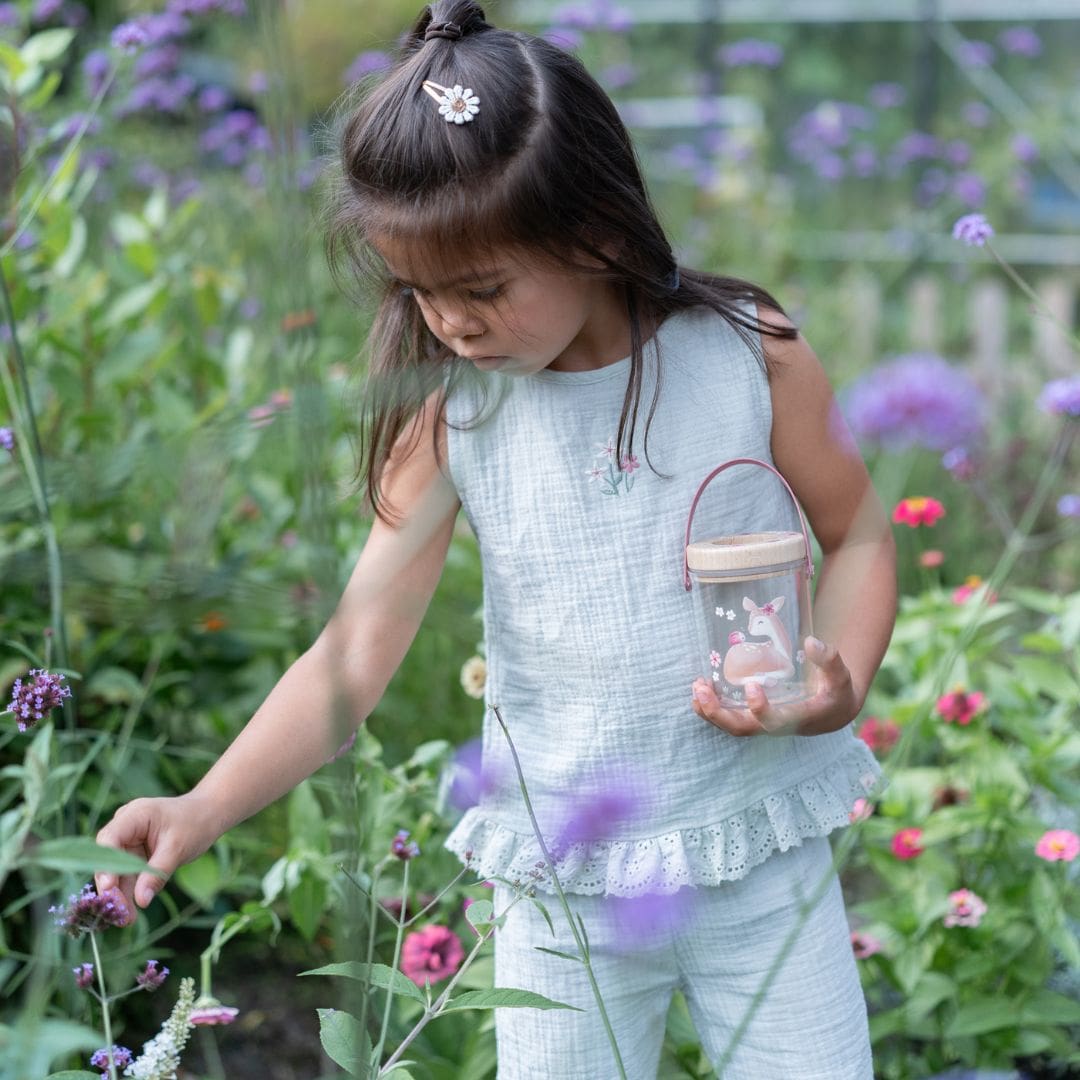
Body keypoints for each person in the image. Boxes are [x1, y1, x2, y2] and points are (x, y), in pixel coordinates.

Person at [95, 2, 897, 1076]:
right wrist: (202, 806)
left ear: (598, 231)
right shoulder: (452, 413)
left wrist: (834, 687)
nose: (450, 324)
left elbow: (859, 538)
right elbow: (353, 654)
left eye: (481, 289)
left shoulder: (749, 357)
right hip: (560, 888)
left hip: (756, 849)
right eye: (418, 291)